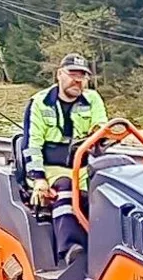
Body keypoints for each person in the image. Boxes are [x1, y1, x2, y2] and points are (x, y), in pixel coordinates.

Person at [22, 53, 108, 264]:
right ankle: (71, 250)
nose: (77, 80)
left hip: (83, 166)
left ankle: (108, 251)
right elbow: (32, 145)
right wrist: (38, 178)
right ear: (59, 74)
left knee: (107, 192)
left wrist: (100, 135)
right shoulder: (40, 103)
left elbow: (102, 130)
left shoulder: (93, 100)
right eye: (72, 74)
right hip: (51, 168)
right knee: (67, 187)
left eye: (83, 76)